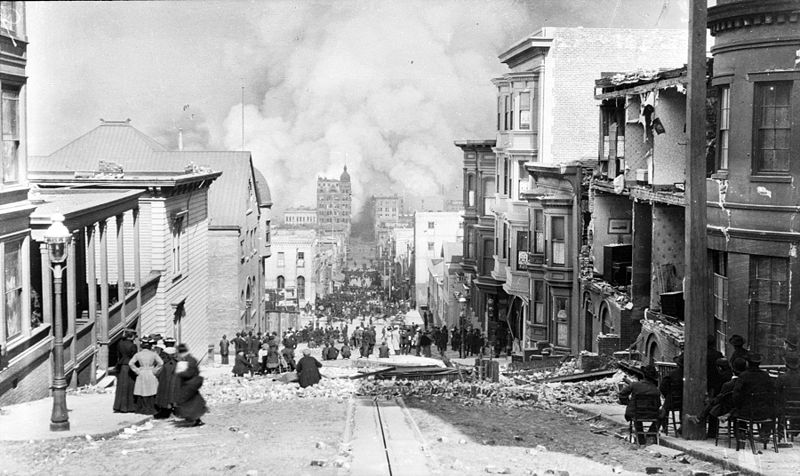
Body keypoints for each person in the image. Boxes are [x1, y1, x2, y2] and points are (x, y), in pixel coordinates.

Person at [618, 365, 662, 444]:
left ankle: (641, 439)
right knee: (662, 414)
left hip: (635, 413)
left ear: (643, 375)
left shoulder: (634, 385)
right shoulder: (656, 390)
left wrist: (628, 403)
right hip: (651, 415)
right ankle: (650, 433)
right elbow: (658, 405)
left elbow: (622, 394)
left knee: (636, 414)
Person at [175, 343, 208, 427]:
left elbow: (190, 373)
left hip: (189, 384)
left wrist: (180, 373)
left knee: (188, 402)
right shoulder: (188, 359)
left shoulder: (189, 360)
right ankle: (194, 418)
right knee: (192, 402)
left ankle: (194, 418)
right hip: (189, 384)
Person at [129, 338, 164, 416]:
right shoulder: (154, 354)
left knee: (142, 390)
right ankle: (151, 407)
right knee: (151, 390)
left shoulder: (138, 354)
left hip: (141, 372)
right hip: (150, 372)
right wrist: (155, 370)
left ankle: (142, 408)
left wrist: (137, 370)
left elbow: (131, 363)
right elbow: (161, 363)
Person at [113, 329, 138, 413]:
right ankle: (130, 407)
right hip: (129, 366)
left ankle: (119, 406)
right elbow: (134, 358)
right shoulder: (133, 346)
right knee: (130, 386)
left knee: (121, 387)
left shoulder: (120, 343)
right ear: (132, 336)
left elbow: (118, 355)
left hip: (121, 366)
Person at [155, 337, 179, 419]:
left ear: (165, 344)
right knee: (175, 389)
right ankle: (175, 407)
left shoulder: (162, 354)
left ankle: (166, 408)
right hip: (176, 373)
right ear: (174, 344)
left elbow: (158, 363)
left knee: (165, 388)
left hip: (165, 373)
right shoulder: (178, 353)